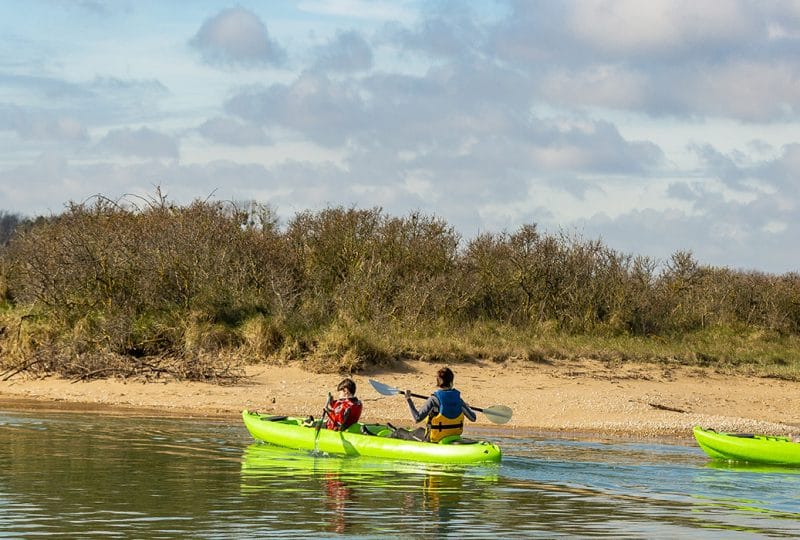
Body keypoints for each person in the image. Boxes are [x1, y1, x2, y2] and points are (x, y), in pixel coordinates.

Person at [402, 366, 476, 442]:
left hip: (435, 440)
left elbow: (417, 419)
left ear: (438, 381)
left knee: (401, 432)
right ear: (451, 383)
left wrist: (408, 399)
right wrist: (467, 407)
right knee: (420, 430)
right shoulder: (459, 400)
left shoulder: (433, 399)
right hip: (454, 438)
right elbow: (473, 418)